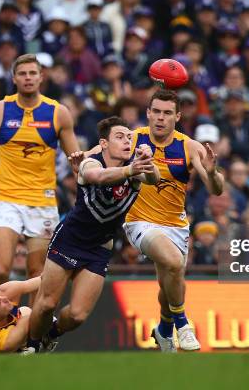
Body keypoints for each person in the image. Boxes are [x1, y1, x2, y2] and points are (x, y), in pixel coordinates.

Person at [27, 117, 160, 352]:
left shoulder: (135, 165)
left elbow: (154, 179)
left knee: (77, 315)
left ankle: (51, 334)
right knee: (47, 304)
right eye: (119, 137)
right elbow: (96, 177)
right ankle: (30, 346)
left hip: (99, 248)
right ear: (104, 143)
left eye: (129, 137)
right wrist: (131, 169)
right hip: (70, 240)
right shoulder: (91, 163)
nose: (126, 141)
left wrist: (148, 162)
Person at [0, 54, 79, 298]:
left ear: (41, 77)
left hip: (42, 201)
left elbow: (76, 160)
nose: (28, 78)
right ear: (14, 78)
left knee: (36, 273)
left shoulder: (58, 113)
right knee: (1, 269)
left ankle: (30, 333)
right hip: (7, 198)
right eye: (23, 74)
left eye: (32, 73)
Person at [122, 89, 224, 352]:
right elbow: (100, 153)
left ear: (177, 116)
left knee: (169, 280)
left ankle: (164, 328)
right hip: (139, 221)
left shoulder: (190, 146)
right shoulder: (133, 139)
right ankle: (182, 324)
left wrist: (212, 174)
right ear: (148, 113)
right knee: (174, 263)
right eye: (155, 111)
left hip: (176, 225)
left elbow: (216, 189)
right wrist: (84, 162)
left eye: (167, 113)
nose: (160, 118)